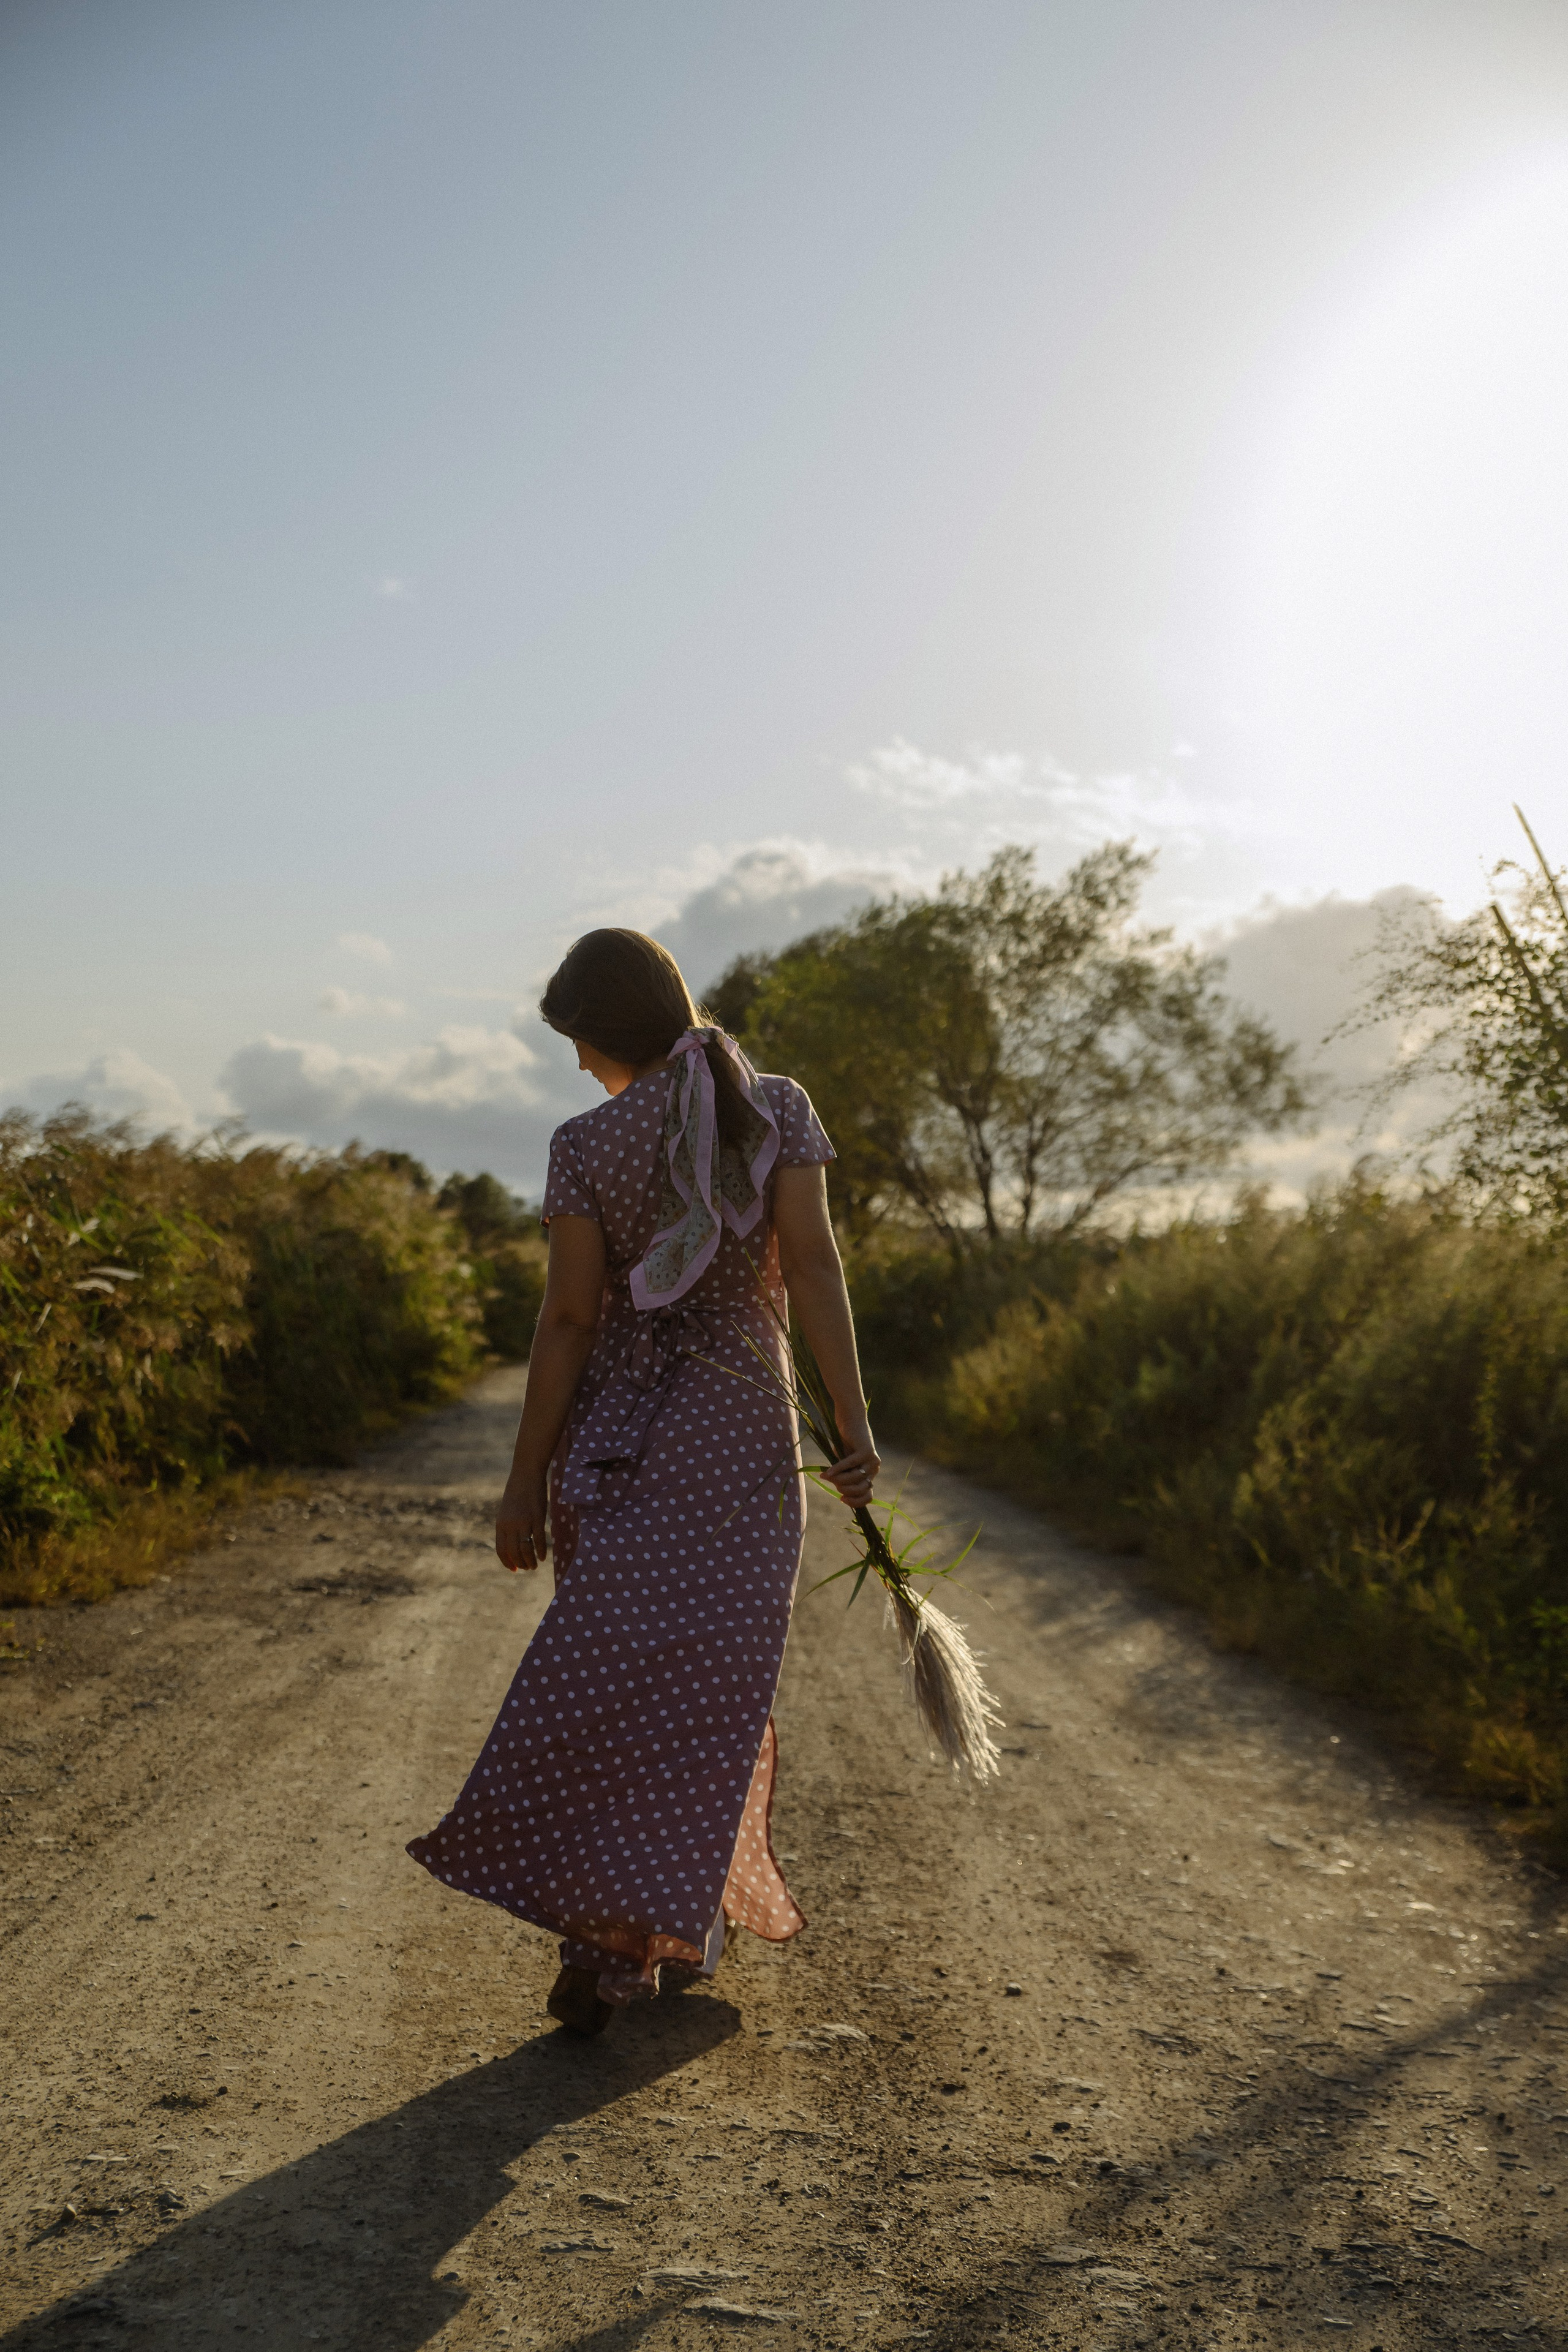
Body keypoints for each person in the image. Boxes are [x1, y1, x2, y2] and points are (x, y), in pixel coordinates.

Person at [405, 927, 879, 2034]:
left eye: (577, 1042)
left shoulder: (585, 1143)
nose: (575, 1066)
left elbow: (569, 1320)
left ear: (604, 1034)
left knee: (610, 1684)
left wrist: (523, 1480)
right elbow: (812, 1269)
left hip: (618, 1446)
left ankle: (620, 1933)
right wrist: (852, 1427)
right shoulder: (777, 1108)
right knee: (709, 1699)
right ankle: (646, 1935)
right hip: (744, 1445)